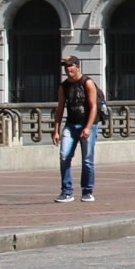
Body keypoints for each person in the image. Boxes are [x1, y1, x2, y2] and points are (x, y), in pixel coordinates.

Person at [55, 56, 101, 203]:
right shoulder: (64, 86)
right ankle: (66, 191)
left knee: (87, 159)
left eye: (70, 66)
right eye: (65, 67)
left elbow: (93, 106)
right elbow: (60, 108)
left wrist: (88, 127)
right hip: (71, 124)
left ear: (77, 66)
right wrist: (56, 130)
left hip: (88, 125)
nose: (68, 69)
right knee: (64, 156)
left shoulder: (87, 83)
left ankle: (87, 191)